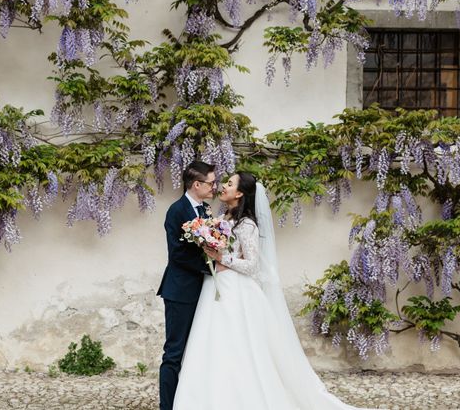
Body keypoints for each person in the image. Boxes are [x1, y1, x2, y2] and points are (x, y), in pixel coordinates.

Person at [172, 172, 377, 410]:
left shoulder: (247, 225)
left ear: (239, 193)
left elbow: (252, 265)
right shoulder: (220, 217)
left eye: (229, 183)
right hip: (215, 287)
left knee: (236, 347)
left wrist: (222, 257)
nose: (222, 187)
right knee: (210, 345)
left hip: (235, 290)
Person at [156, 160, 217, 410]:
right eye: (211, 183)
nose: (215, 187)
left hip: (201, 290)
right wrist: (210, 265)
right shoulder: (177, 210)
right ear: (196, 184)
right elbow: (178, 254)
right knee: (174, 353)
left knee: (197, 351)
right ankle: (167, 407)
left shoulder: (205, 210)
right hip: (180, 291)